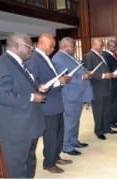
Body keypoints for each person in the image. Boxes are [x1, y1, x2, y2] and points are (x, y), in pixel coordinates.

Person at [0, 33, 47, 178]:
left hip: (28, 125)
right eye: (29, 46)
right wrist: (32, 96)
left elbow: (19, 87)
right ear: (16, 46)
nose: (32, 50)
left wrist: (36, 88)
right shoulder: (1, 65)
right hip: (15, 128)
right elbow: (0, 95)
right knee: (18, 168)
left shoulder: (19, 63)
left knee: (29, 161)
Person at [26, 33, 71, 173]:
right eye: (51, 46)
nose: (53, 49)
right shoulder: (34, 59)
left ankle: (56, 157)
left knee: (59, 133)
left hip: (56, 103)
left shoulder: (45, 57)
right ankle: (49, 163)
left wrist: (59, 80)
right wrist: (59, 82)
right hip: (47, 105)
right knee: (51, 136)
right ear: (42, 43)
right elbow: (34, 83)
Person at [52, 37, 94, 155]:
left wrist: (87, 72)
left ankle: (74, 141)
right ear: (65, 46)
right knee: (69, 121)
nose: (74, 48)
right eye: (72, 46)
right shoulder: (58, 59)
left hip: (78, 94)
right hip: (70, 95)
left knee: (75, 120)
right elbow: (64, 77)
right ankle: (66, 146)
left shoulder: (69, 56)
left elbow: (79, 69)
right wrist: (81, 77)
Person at [83, 38, 117, 140]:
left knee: (107, 109)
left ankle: (106, 127)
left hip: (107, 86)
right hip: (97, 88)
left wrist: (111, 75)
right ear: (94, 44)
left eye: (102, 45)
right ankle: (99, 131)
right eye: (100, 45)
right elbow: (88, 73)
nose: (102, 47)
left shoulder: (102, 55)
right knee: (99, 111)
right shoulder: (89, 56)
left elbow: (105, 69)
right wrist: (103, 76)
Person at [102, 40, 117, 128]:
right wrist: (111, 74)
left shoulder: (115, 55)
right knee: (112, 103)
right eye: (114, 46)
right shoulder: (105, 55)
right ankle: (111, 122)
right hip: (111, 82)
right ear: (109, 46)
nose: (116, 48)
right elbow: (106, 68)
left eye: (116, 46)